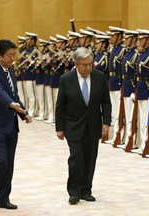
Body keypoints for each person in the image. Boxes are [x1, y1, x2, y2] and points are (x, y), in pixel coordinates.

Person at [55, 47, 111, 204]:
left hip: (93, 126)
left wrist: (106, 122)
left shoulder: (99, 77)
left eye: (90, 64)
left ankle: (86, 190)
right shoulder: (66, 79)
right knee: (76, 158)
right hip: (73, 126)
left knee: (90, 158)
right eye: (85, 65)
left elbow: (105, 102)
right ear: (76, 63)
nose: (88, 68)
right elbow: (60, 105)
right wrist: (59, 128)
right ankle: (74, 191)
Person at [0, 39, 32, 212]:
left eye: (14, 55)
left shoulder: (10, 70)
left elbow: (13, 95)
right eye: (10, 56)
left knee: (9, 162)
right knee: (1, 160)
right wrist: (11, 104)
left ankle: (3, 198)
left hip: (11, 123)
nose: (13, 59)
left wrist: (23, 113)